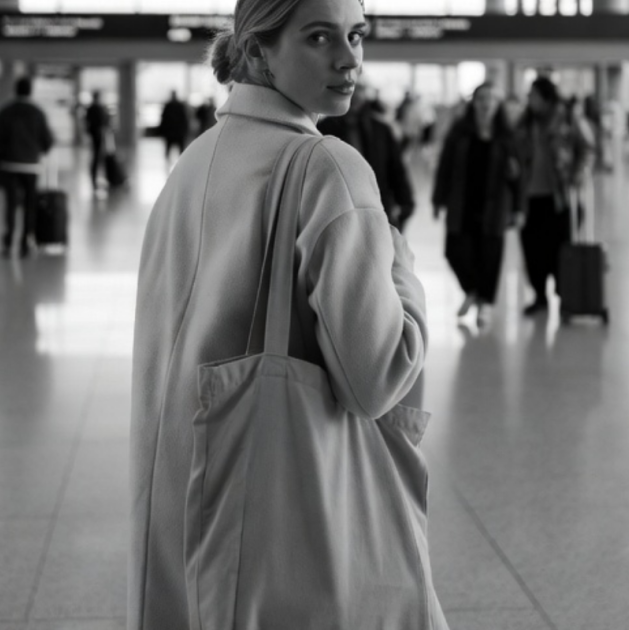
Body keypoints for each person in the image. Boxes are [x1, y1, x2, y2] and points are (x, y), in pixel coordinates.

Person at [130, 0, 432, 627]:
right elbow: (374, 380)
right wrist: (399, 267)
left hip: (179, 494)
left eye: (355, 35)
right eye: (320, 37)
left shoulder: (195, 162)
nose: (349, 59)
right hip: (270, 513)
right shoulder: (326, 166)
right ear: (259, 50)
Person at [433, 83, 523, 326]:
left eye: (491, 99)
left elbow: (518, 174)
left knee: (490, 256)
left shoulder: (506, 136)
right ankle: (472, 290)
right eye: (481, 98)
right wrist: (438, 199)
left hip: (495, 206)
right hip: (462, 203)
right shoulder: (460, 132)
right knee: (454, 251)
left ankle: (484, 303)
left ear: (497, 105)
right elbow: (445, 166)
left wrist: (518, 207)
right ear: (474, 103)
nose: (486, 104)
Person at [515, 76, 593, 316]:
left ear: (546, 97)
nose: (529, 99)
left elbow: (587, 148)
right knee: (532, 250)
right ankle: (540, 296)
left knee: (560, 250)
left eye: (533, 95)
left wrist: (579, 172)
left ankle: (565, 295)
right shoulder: (525, 121)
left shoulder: (568, 118)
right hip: (529, 197)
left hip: (560, 197)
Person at [318, 82, 416, 231]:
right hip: (338, 207)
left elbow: (395, 167)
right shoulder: (324, 129)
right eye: (352, 94)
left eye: (359, 94)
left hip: (377, 203)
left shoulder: (380, 129)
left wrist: (405, 201)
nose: (355, 99)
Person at [0, 77, 54, 257]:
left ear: (15, 90)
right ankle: (26, 241)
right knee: (30, 204)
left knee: (10, 203)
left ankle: (9, 240)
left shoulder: (5, 111)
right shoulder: (37, 112)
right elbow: (47, 140)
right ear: (30, 91)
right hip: (30, 166)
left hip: (9, 164)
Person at [84, 90, 111, 189]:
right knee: (98, 156)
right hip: (98, 135)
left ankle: (97, 175)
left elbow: (87, 122)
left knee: (97, 155)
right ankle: (98, 175)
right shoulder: (97, 108)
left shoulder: (91, 108)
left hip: (95, 135)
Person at [159, 90, 190, 162]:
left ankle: (175, 160)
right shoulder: (174, 106)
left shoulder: (171, 106)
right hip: (174, 132)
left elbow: (184, 119)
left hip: (174, 132)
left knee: (174, 148)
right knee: (173, 148)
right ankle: (172, 160)